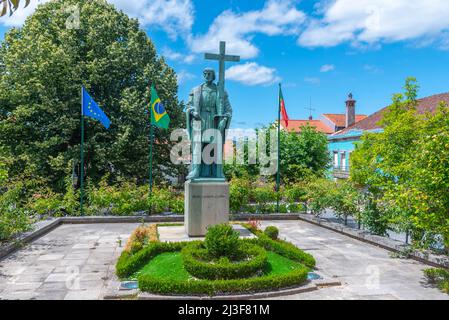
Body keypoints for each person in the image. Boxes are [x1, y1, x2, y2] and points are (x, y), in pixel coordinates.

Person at [185, 68, 232, 180]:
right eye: (205, 73)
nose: (207, 75)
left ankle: (216, 171)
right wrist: (192, 111)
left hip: (214, 120)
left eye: (209, 73)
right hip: (199, 119)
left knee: (214, 146)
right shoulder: (196, 90)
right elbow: (188, 106)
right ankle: (196, 170)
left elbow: (228, 109)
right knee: (198, 145)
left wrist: (224, 119)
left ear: (214, 75)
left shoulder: (220, 91)